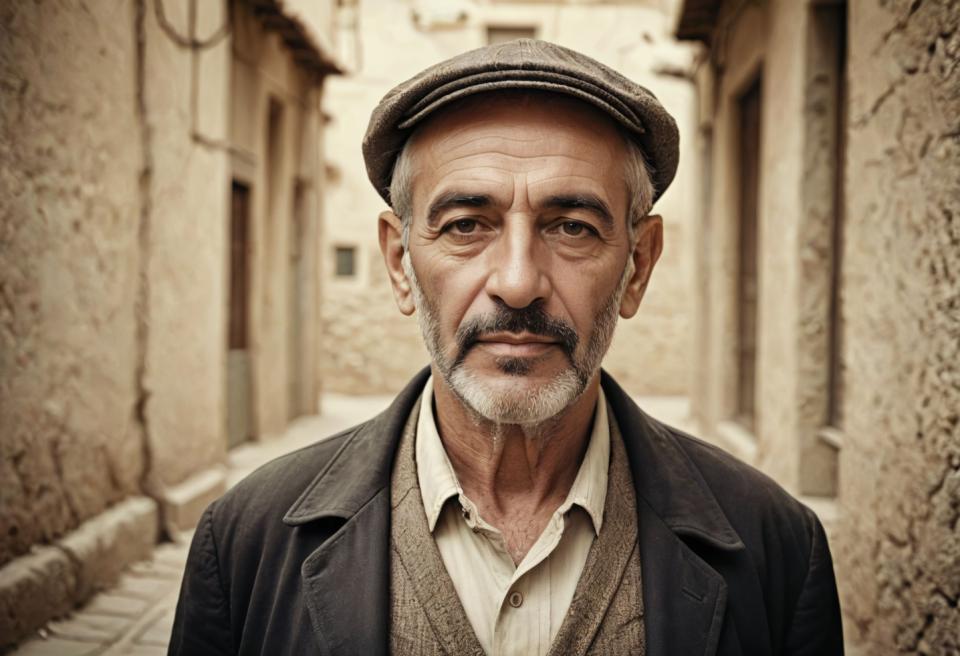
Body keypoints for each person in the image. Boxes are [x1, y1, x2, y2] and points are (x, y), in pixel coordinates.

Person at [168, 40, 843, 656]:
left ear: (638, 265)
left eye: (572, 227)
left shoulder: (775, 550)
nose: (518, 283)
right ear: (400, 263)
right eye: (466, 225)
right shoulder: (247, 545)